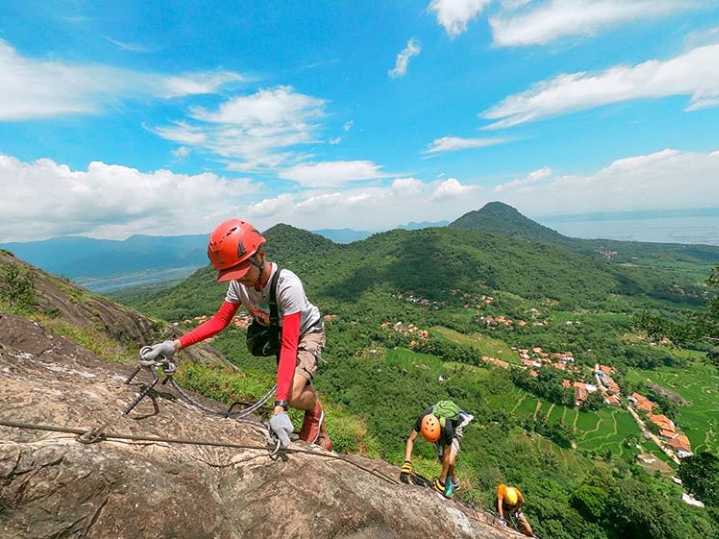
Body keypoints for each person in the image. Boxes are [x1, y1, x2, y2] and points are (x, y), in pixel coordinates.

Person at [141, 219, 331, 450]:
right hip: (279, 334)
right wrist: (174, 345)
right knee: (293, 384)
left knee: (291, 393)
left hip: (305, 332)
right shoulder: (238, 284)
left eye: (241, 270)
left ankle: (314, 410)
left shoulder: (287, 284)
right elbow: (220, 321)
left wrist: (280, 407)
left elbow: (291, 345)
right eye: (232, 273)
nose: (239, 278)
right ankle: (320, 426)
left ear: (260, 255)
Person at [401, 400, 473, 497]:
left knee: (449, 461)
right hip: (440, 426)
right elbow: (411, 440)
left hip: (456, 427)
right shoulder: (423, 419)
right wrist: (407, 461)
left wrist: (441, 481)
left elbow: (447, 458)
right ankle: (452, 481)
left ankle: (452, 482)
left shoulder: (448, 429)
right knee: (442, 458)